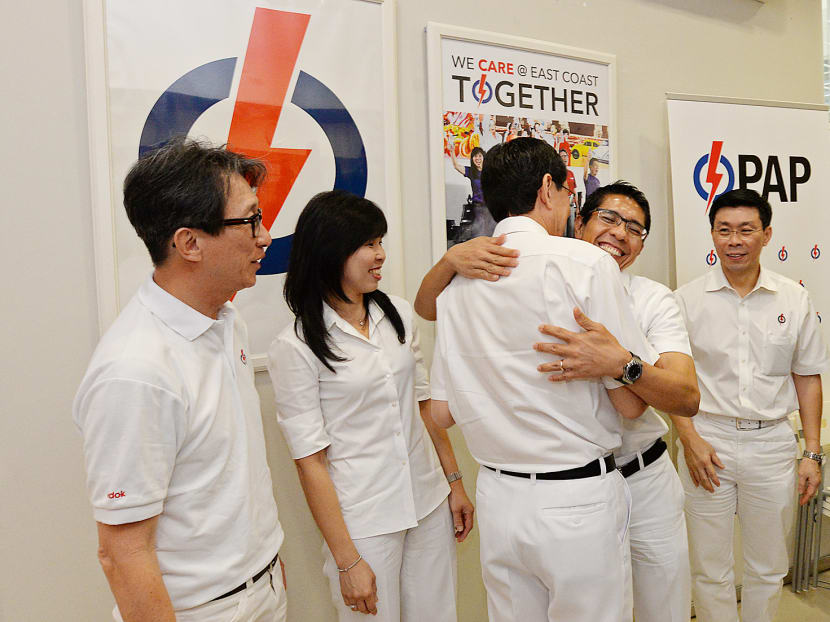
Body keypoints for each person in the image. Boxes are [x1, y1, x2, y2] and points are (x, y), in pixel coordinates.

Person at [417, 181, 701, 622]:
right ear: (578, 219)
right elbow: (432, 308)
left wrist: (622, 364)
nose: (620, 233)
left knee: (661, 607)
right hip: (562, 483)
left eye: (635, 229)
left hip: (640, 477)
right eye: (609, 218)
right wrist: (449, 261)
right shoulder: (514, 274)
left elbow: (684, 395)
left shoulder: (653, 299)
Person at [73, 138, 287, 622]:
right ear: (189, 243)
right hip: (203, 611)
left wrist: (269, 566)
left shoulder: (226, 319)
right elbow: (122, 553)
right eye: (250, 220)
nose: (265, 236)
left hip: (263, 588)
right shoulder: (136, 371)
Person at [267, 190, 473, 622]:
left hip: (427, 500)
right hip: (364, 521)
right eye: (368, 245)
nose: (380, 256)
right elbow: (310, 462)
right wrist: (347, 560)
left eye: (380, 242)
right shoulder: (297, 346)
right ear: (330, 251)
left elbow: (422, 407)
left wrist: (453, 481)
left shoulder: (396, 313)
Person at [673, 188, 828, 622]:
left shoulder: (792, 299)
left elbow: (807, 375)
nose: (734, 240)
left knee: (768, 566)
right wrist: (688, 439)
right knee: (708, 568)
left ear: (767, 235)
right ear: (713, 237)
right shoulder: (686, 300)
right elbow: (672, 382)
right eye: (724, 230)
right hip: (708, 443)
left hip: (772, 444)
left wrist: (811, 452)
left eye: (746, 230)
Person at [449, 145, 496, 241]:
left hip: (491, 206)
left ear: (484, 157)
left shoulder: (490, 171)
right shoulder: (471, 171)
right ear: (472, 159)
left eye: (479, 156)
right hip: (478, 206)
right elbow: (456, 166)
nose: (477, 158)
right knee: (479, 231)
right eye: (475, 156)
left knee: (492, 231)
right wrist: (452, 152)